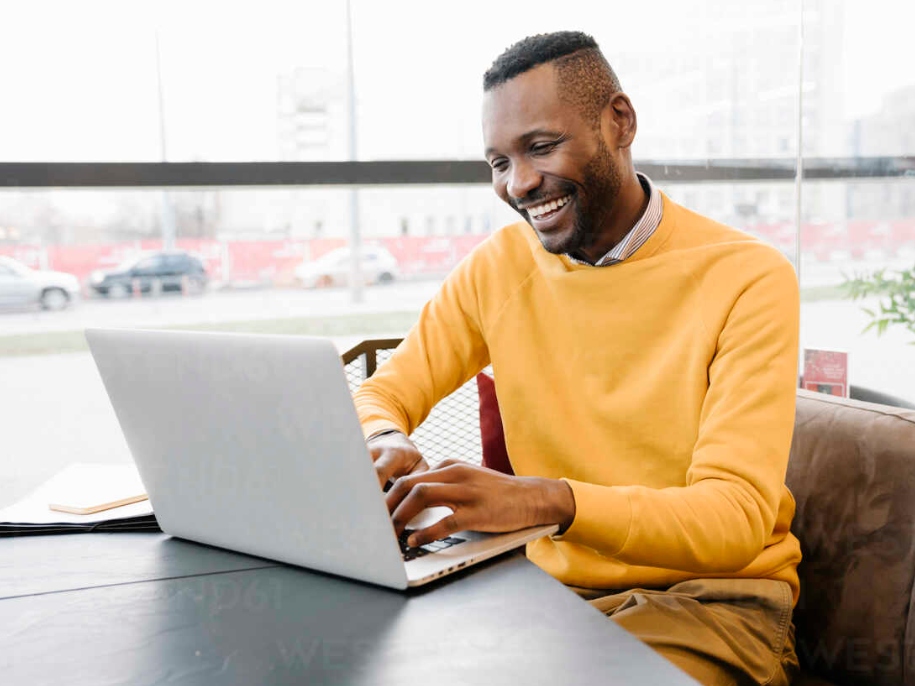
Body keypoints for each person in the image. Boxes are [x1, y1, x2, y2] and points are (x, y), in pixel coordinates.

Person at [354, 30, 801, 686]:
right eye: (498, 162)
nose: (520, 183)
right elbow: (381, 394)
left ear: (617, 122)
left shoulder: (747, 277)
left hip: (707, 602)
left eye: (539, 146)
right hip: (543, 596)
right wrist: (385, 440)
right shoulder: (497, 268)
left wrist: (549, 501)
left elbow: (732, 519)